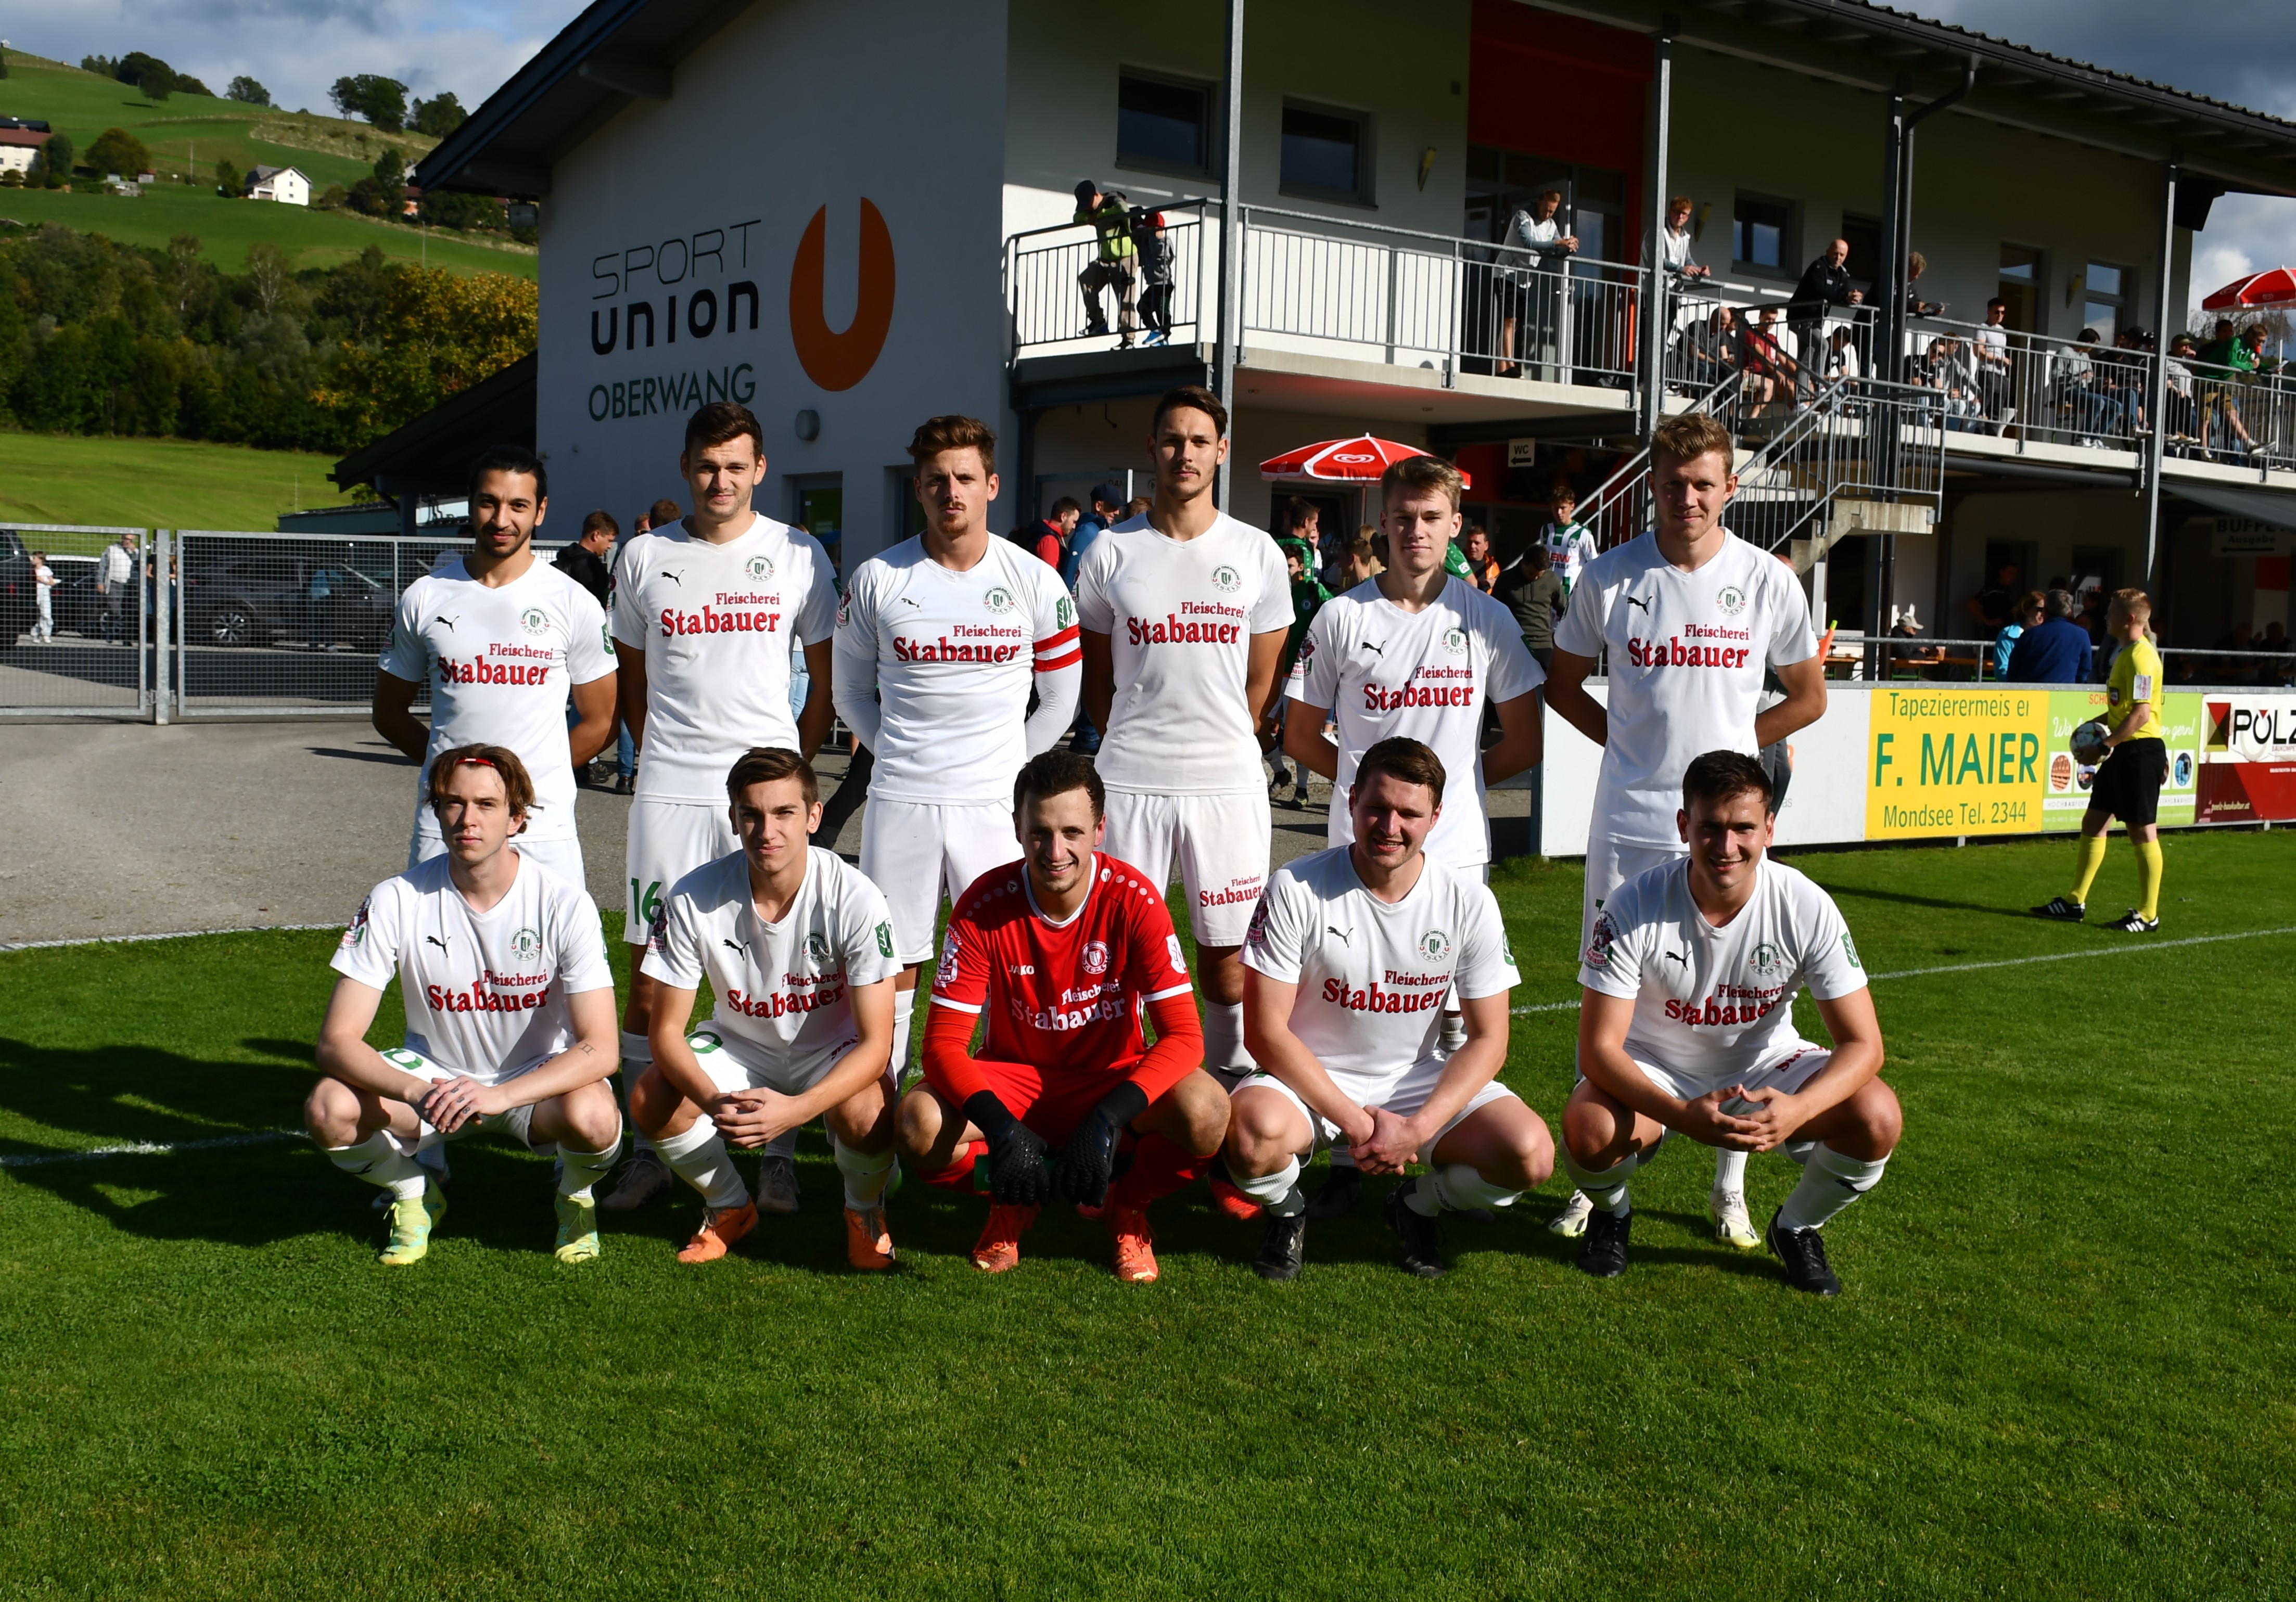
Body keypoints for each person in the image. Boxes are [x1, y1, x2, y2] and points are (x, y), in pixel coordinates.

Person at [1543, 411, 1826, 1250]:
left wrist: (1737, 752)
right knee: (1610, 999)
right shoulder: (1609, 575)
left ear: (1730, 487)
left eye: (1704, 484)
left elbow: (1808, 695)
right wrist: (1628, 746)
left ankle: (1730, 1183)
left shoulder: (1768, 578)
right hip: (1629, 824)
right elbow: (1563, 683)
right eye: (1673, 484)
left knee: (1731, 995)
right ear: (1653, 487)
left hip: (1726, 829)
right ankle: (1599, 1185)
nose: (1688, 498)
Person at [1280, 456, 1545, 1220]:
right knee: (1340, 1005)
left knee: (1453, 1019)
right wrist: (1368, 795)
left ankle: (1421, 1164)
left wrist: (1444, 799)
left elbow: (1525, 738)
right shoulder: (1341, 617)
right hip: (1357, 849)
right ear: (1382, 524)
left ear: (1455, 523)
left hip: (1454, 849)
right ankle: (1342, 1157)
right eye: (1402, 517)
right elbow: (1299, 733)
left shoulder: (1486, 619)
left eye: (1431, 517)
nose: (1415, 531)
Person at [603, 401, 840, 1217]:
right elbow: (633, 683)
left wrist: (790, 778)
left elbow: (823, 683)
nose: (721, 480)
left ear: (760, 469)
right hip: (672, 788)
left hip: (765, 790)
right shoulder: (643, 555)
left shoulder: (799, 552)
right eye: (707, 465)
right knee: (650, 976)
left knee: (779, 972)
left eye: (736, 465)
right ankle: (649, 1153)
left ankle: (778, 1155)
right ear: (685, 467)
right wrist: (665, 758)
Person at [1564, 751, 1898, 1295]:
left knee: (1877, 1115)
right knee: (1589, 1127)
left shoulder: (1805, 904)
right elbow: (1599, 1049)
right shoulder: (1632, 903)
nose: (1726, 846)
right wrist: (1680, 1115)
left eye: (1743, 828)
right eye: (1710, 827)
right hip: (1655, 1066)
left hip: (1765, 1066)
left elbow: (1864, 1045)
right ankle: (1613, 1213)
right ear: (1683, 825)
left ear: (1769, 829)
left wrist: (1799, 1109)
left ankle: (1795, 1228)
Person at [1219, 737, 1552, 1279]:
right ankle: (1288, 1211)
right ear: (1352, 801)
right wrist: (1356, 1122)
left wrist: (1416, 1130)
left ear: (1435, 817)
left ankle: (1416, 1205)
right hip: (1309, 1076)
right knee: (1251, 1136)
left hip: (1414, 1076)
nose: (1389, 826)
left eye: (1409, 813)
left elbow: (1490, 1039)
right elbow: (1263, 1031)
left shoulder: (1468, 901)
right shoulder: (1295, 887)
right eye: (1376, 807)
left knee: (1530, 1154)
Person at [897, 750, 1221, 1282]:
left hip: (1109, 1080)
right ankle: (1011, 1198)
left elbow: (1186, 1037)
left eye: (1072, 832)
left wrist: (1108, 1118)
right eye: (1040, 832)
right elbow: (942, 1046)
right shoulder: (982, 904)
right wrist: (1002, 1129)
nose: (1055, 851)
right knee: (918, 1123)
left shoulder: (1134, 899)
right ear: (1017, 829)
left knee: (1207, 1111)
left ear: (1099, 830)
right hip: (1015, 1083)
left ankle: (1127, 1205)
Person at [834, 414, 1081, 1099]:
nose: (952, 491)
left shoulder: (1035, 579)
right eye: (937, 479)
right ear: (918, 487)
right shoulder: (878, 577)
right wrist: (899, 752)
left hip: (994, 806)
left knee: (1008, 959)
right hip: (901, 799)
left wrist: (1007, 769)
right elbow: (848, 691)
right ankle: (883, 1107)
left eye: (965, 478)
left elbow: (1060, 700)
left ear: (991, 486)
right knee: (894, 961)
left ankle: (1005, 1104)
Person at [305, 745, 622, 1266]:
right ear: (437, 811)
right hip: (434, 1081)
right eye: (452, 802)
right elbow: (336, 1042)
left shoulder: (564, 903)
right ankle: (415, 1194)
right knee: (328, 1107)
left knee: (595, 1116)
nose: (467, 818)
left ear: (516, 818)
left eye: (486, 804)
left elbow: (601, 1048)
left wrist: (499, 1096)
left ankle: (575, 1197)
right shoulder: (395, 898)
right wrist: (418, 1090)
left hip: (531, 1082)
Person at [1076, 383, 1293, 1097]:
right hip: (1129, 779)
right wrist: (1134, 735)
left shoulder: (1256, 552)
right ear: (1152, 449)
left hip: (1225, 780)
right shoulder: (1110, 550)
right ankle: (1120, 1094)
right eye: (1172, 439)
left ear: (1221, 451)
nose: (1185, 453)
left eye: (1200, 441)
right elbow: (1098, 682)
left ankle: (1226, 1086)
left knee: (1226, 954)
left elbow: (1260, 683)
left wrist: (1222, 732)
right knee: (1118, 953)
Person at [631, 747, 902, 1271]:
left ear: (814, 816)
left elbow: (876, 1044)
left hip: (831, 1048)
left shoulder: (855, 897)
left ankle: (864, 1211)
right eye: (751, 814)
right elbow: (664, 1033)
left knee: (867, 1111)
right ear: (733, 818)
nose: (766, 831)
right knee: (651, 1098)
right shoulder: (692, 896)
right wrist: (714, 1102)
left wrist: (798, 1111)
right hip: (741, 1047)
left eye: (784, 813)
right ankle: (729, 1206)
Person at [374, 444, 616, 894]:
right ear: (471, 504)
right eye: (489, 502)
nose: (502, 519)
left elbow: (601, 720)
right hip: (448, 825)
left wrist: (526, 784)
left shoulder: (573, 602)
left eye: (518, 505)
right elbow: (388, 713)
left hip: (543, 826)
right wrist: (451, 775)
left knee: (551, 942)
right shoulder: (425, 596)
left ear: (540, 511)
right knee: (437, 939)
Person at [2034, 589, 2170, 934]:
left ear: (2129, 619)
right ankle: (2075, 902)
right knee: (2094, 822)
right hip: (2126, 750)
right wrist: (2092, 729)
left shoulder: (2141, 657)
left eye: (2111, 612)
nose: (2106, 617)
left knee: (2142, 831)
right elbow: (2123, 711)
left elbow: (2141, 715)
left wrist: (2105, 745)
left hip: (2138, 752)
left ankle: (2148, 914)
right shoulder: (2126, 653)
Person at [1266, 537, 1331, 810]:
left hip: (1301, 672)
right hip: (1274, 670)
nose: (1286, 570)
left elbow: (1335, 612)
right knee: (1258, 725)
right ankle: (1280, 771)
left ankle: (1302, 790)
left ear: (1301, 568)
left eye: (1290, 566)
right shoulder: (1274, 591)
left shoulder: (1313, 591)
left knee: (1299, 732)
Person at [1496, 189, 1577, 379]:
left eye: (1552, 212)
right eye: (1546, 210)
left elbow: (1557, 251)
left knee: (1516, 323)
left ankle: (1502, 367)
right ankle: (1509, 365)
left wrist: (1569, 247)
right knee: (1509, 320)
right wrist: (1558, 243)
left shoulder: (1551, 226)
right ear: (1540, 202)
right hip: (1507, 273)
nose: (1548, 215)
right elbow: (1529, 243)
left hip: (1526, 280)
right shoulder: (1522, 217)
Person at [1786, 238, 1863, 400]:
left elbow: (1845, 293)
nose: (1838, 258)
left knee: (1805, 360)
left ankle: (1801, 400)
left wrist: (1853, 298)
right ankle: (1819, 383)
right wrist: (1845, 296)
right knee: (1823, 345)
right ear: (1828, 252)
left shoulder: (1842, 273)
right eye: (1835, 253)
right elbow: (1821, 291)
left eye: (1842, 255)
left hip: (1816, 322)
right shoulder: (1818, 267)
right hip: (1800, 318)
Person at [1073, 181, 1138, 348]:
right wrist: (1088, 218)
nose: (1088, 207)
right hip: (1104, 259)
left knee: (1125, 299)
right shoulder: (1091, 210)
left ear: (1096, 195)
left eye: (1089, 203)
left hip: (1125, 257)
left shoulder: (1113, 200)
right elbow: (1076, 217)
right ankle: (1098, 322)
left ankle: (1128, 340)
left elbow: (1124, 210)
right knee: (1086, 279)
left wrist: (1100, 216)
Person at [1495, 540, 1564, 671]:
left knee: (1551, 682)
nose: (1536, 578)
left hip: (1543, 644)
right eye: (1532, 574)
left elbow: (1564, 610)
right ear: (1523, 563)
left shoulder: (1552, 579)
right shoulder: (1506, 579)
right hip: (1514, 644)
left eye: (1540, 576)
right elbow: (1494, 612)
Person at [1538, 484, 1599, 597]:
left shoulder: (1583, 533)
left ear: (1572, 507)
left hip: (1571, 594)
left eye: (1563, 508)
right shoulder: (1546, 530)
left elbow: (1594, 563)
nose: (1559, 512)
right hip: (1547, 592)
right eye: (1556, 508)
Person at [1130, 203, 1173, 346]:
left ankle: (1163, 335)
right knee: (1145, 307)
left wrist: (1157, 237)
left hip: (1164, 284)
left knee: (1162, 311)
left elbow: (1165, 256)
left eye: (1151, 230)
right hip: (1155, 284)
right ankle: (1158, 333)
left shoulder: (1163, 242)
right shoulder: (1150, 242)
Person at [554, 510, 617, 607]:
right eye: (609, 541)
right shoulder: (595, 570)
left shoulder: (559, 564)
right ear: (596, 535)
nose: (610, 546)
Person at [1993, 591, 2042, 679]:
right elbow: (2002, 671)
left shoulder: (2049, 636)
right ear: (2026, 609)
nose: (2044, 614)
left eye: (2047, 610)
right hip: (2016, 686)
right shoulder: (2007, 635)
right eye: (2040, 610)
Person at [98, 531, 136, 644]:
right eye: (126, 539)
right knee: (115, 611)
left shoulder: (135, 552)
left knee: (129, 612)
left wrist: (134, 552)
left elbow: (138, 565)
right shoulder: (112, 549)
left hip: (129, 585)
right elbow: (102, 566)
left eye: (130, 540)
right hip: (115, 583)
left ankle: (126, 638)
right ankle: (111, 632)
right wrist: (100, 582)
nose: (127, 542)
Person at [1456, 525, 1499, 593]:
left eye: (1477, 543)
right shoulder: (1457, 563)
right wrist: (1482, 585)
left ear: (1486, 546)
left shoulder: (1492, 566)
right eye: (1470, 542)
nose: (1472, 546)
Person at [29, 549, 55, 643]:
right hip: (34, 592)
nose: (33, 560)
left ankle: (46, 634)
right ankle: (36, 634)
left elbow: (52, 583)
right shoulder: (32, 570)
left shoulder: (46, 570)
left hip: (44, 592)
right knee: (36, 614)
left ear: (40, 559)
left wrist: (42, 581)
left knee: (46, 613)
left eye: (34, 558)